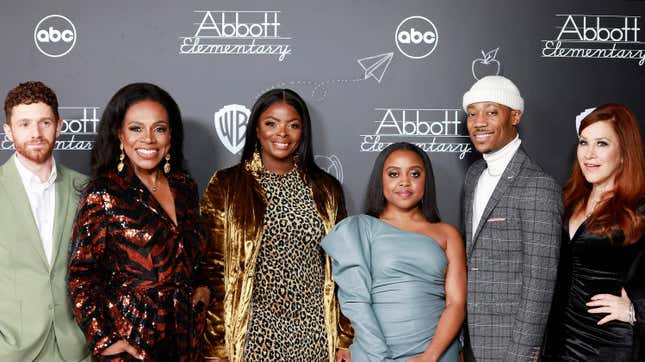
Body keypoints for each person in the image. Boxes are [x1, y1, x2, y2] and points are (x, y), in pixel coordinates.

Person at [199, 88, 352, 362]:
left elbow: (345, 267)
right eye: (271, 123)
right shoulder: (228, 184)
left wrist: (344, 337)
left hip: (314, 332)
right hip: (252, 333)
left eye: (293, 125)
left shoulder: (326, 189)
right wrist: (216, 347)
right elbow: (214, 270)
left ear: (303, 132)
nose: (282, 133)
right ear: (257, 129)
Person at [67, 83, 206, 361]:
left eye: (159, 128)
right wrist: (104, 339)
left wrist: (202, 287)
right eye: (136, 128)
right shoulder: (104, 194)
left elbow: (193, 255)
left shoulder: (184, 187)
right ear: (119, 134)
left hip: (185, 343)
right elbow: (82, 276)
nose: (149, 139)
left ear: (170, 135)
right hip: (133, 345)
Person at [321, 142, 466, 362]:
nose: (404, 181)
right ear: (381, 180)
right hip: (374, 351)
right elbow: (355, 300)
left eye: (415, 173)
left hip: (436, 350)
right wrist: (377, 355)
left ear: (426, 180)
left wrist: (431, 355)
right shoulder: (359, 229)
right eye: (394, 173)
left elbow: (456, 303)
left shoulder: (447, 234)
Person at [461, 75, 563, 361]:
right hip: (473, 340)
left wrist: (522, 353)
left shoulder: (537, 185)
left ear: (515, 115)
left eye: (491, 112)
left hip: (512, 346)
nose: (479, 122)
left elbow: (540, 283)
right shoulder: (473, 176)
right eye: (472, 113)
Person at [544, 104, 645, 361]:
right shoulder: (568, 201)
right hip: (560, 341)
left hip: (609, 345)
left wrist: (636, 312)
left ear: (624, 152)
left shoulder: (638, 209)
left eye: (601, 143)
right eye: (583, 142)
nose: (589, 154)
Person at [0, 81, 88, 361]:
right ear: (8, 131)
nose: (36, 133)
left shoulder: (84, 188)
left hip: (76, 350)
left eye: (44, 122)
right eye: (24, 124)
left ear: (59, 126)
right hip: (12, 351)